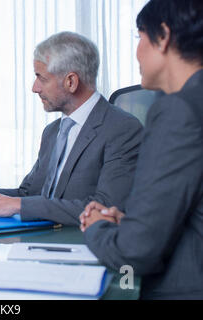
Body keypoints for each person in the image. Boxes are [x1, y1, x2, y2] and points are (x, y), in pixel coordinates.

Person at [0, 32, 143, 226]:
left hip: (83, 248)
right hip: (40, 243)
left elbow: (105, 208)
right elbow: (30, 194)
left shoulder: (122, 129)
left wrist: (18, 205)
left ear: (71, 81)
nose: (34, 87)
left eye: (42, 78)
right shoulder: (53, 131)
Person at [80, 0, 203, 299]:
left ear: (163, 36)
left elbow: (135, 253)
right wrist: (133, 223)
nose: (137, 51)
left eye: (139, 37)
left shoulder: (178, 110)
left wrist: (97, 227)